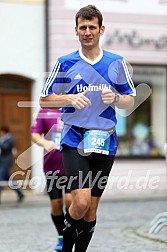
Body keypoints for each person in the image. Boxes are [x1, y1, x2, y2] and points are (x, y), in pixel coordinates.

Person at [39, 5, 136, 252]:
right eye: (83, 27)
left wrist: (114, 97)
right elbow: (44, 99)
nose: (88, 32)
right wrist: (69, 99)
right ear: (76, 30)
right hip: (74, 140)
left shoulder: (116, 63)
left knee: (92, 208)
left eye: (92, 27)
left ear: (101, 29)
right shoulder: (65, 63)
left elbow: (129, 100)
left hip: (106, 142)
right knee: (80, 202)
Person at [31, 108, 71, 252]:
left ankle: (70, 235)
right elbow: (34, 134)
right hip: (51, 166)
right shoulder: (45, 110)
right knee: (56, 204)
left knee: (70, 201)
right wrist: (44, 143)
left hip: (72, 164)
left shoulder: (73, 106)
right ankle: (61, 235)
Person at [0, 126, 24, 203]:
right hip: (2, 162)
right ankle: (20, 193)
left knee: (0, 180)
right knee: (9, 180)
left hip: (6, 163)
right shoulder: (3, 139)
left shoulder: (9, 139)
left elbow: (5, 148)